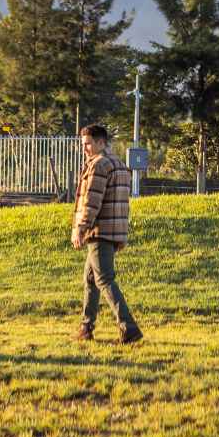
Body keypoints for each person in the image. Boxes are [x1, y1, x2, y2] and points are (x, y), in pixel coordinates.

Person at [71, 123, 143, 344]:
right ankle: (86, 328)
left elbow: (92, 201)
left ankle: (129, 328)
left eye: (88, 144)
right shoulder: (119, 165)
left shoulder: (99, 165)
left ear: (101, 142)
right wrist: (121, 234)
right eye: (83, 144)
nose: (84, 149)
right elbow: (122, 203)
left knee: (103, 280)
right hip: (113, 230)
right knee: (91, 279)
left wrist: (80, 228)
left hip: (99, 231)